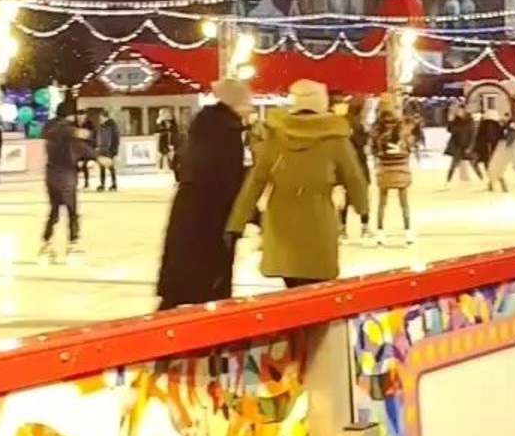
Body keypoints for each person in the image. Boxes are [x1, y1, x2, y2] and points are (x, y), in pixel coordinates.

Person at [226, 79, 368, 289]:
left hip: (281, 218)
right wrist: (362, 207)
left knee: (291, 280)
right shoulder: (334, 136)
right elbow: (353, 176)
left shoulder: (277, 135)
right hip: (318, 217)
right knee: (316, 283)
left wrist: (237, 222)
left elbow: (256, 180)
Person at [157, 79, 252, 309]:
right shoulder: (226, 131)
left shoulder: (205, 125)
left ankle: (171, 307)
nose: (249, 108)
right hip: (212, 214)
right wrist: (245, 215)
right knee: (210, 277)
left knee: (183, 271)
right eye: (246, 103)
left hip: (190, 207)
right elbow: (228, 177)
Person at [40, 103, 85, 262]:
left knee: (54, 212)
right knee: (72, 212)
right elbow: (79, 146)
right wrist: (96, 156)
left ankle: (46, 243)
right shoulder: (66, 130)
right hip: (66, 177)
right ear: (69, 116)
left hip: (52, 176)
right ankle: (72, 245)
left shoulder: (49, 129)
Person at [371, 93, 414, 245]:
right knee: (404, 203)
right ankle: (408, 233)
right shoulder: (402, 127)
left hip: (384, 168)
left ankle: (380, 233)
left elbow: (374, 150)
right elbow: (409, 147)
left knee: (382, 203)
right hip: (400, 166)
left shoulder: (377, 128)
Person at [335, 94, 372, 243]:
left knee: (345, 197)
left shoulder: (343, 122)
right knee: (361, 195)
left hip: (345, 164)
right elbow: (361, 142)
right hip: (358, 163)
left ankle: (342, 229)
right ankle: (364, 227)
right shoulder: (357, 123)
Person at [444, 104, 478, 185]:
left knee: (474, 164)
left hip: (467, 145)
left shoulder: (469, 120)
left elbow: (473, 135)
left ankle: (482, 179)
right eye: (457, 111)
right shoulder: (456, 120)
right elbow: (450, 130)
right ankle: (448, 181)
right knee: (453, 164)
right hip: (457, 146)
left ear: (464, 110)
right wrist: (450, 121)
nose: (458, 112)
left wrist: (470, 147)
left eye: (460, 110)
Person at [473, 109, 504, 181]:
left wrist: (477, 147)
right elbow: (500, 137)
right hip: (492, 148)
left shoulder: (485, 125)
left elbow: (481, 138)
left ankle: (492, 178)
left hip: (486, 148)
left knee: (486, 164)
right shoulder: (496, 125)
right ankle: (496, 178)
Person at [96, 110, 120, 191]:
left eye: (101, 117)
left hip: (110, 149)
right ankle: (103, 184)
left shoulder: (112, 126)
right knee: (102, 167)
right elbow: (100, 138)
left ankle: (114, 184)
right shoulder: (101, 126)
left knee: (110, 167)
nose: (100, 119)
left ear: (105, 117)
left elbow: (116, 138)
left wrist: (114, 150)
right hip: (102, 149)